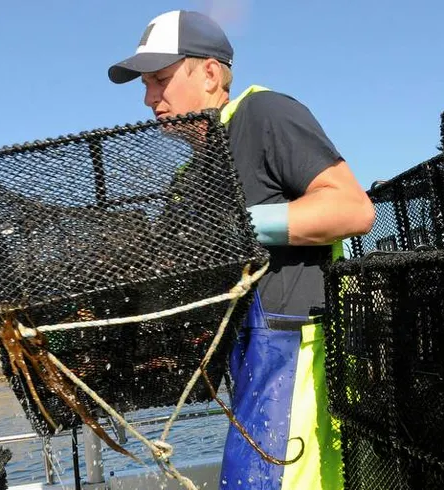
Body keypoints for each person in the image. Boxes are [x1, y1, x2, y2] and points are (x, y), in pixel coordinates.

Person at [107, 10, 375, 490]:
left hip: (297, 345)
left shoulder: (263, 113)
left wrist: (235, 226)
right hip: (246, 354)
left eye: (161, 80)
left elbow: (352, 209)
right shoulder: (190, 175)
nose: (151, 99)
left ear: (210, 73)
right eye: (145, 86)